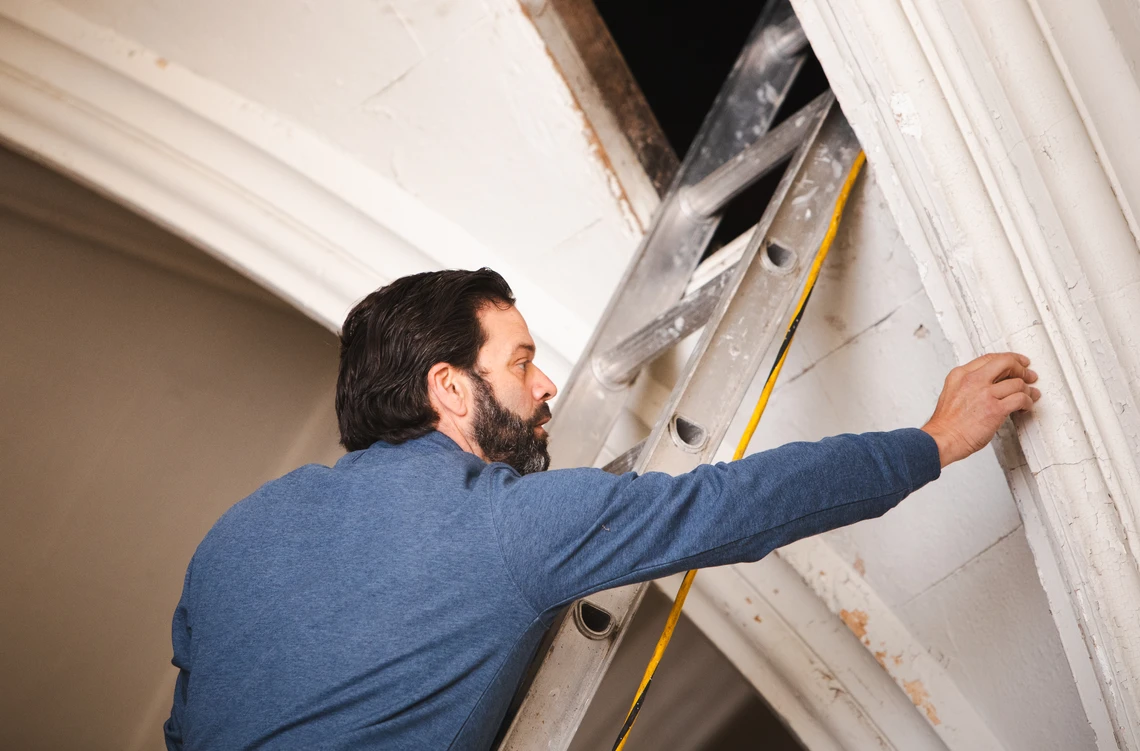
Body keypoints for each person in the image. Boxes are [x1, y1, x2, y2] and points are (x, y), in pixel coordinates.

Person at [163, 268, 1040, 750]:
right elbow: (733, 503)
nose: (546, 385)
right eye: (520, 362)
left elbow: (187, 722)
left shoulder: (234, 534)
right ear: (449, 388)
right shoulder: (509, 523)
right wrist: (933, 439)